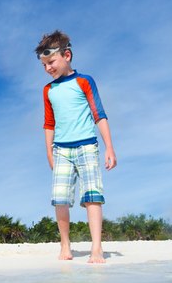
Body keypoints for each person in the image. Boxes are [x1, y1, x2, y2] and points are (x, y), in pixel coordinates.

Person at [36, 30, 117, 263]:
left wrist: (109, 147)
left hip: (87, 147)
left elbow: (98, 115)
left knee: (93, 196)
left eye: (51, 62)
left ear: (67, 55)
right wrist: (49, 151)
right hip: (61, 149)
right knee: (60, 199)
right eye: (43, 65)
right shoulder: (48, 90)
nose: (48, 68)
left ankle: (96, 248)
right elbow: (48, 124)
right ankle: (65, 245)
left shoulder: (84, 81)